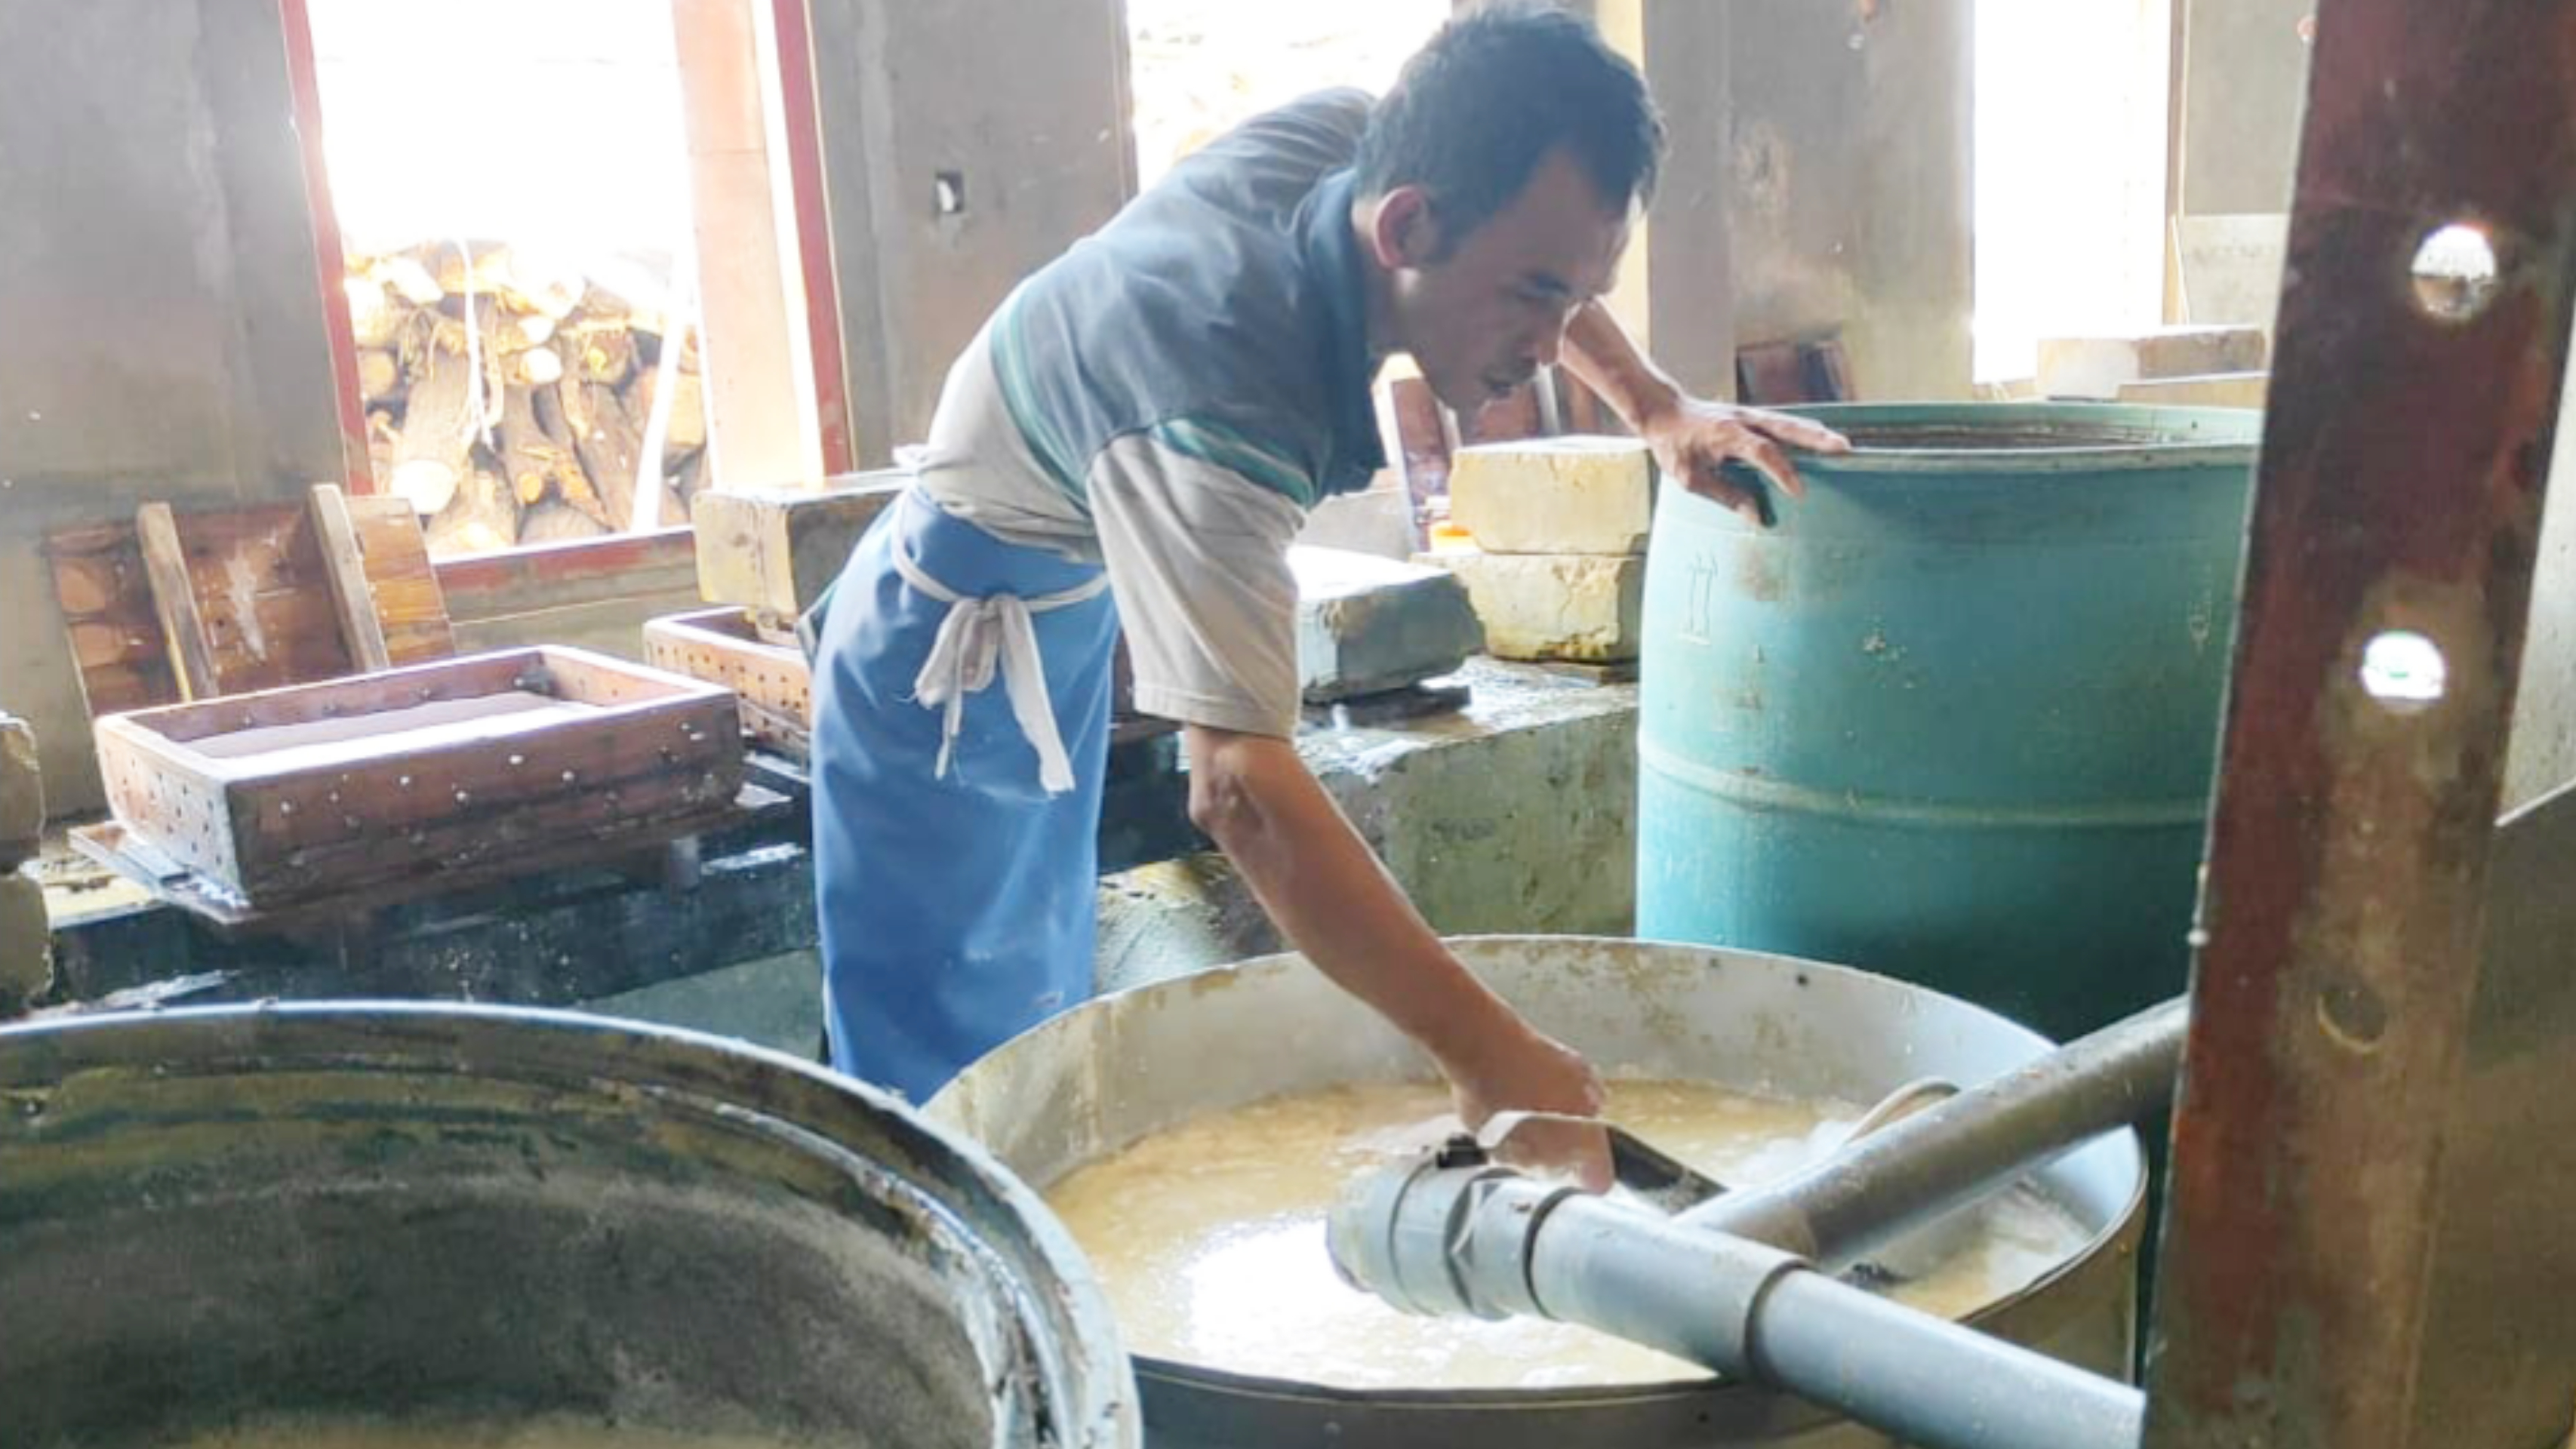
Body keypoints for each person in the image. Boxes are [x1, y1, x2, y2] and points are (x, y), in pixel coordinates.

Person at [807, 2, 1847, 1186]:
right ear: (1405, 224)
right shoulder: (1214, 402)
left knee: (1034, 1007)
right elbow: (1239, 792)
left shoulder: (1359, 140)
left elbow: (1528, 251)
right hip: (940, 660)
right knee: (943, 1093)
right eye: (1530, 297)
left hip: (1055, 617)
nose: (1546, 340)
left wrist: (1656, 406)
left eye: (1575, 296)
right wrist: (1491, 1054)